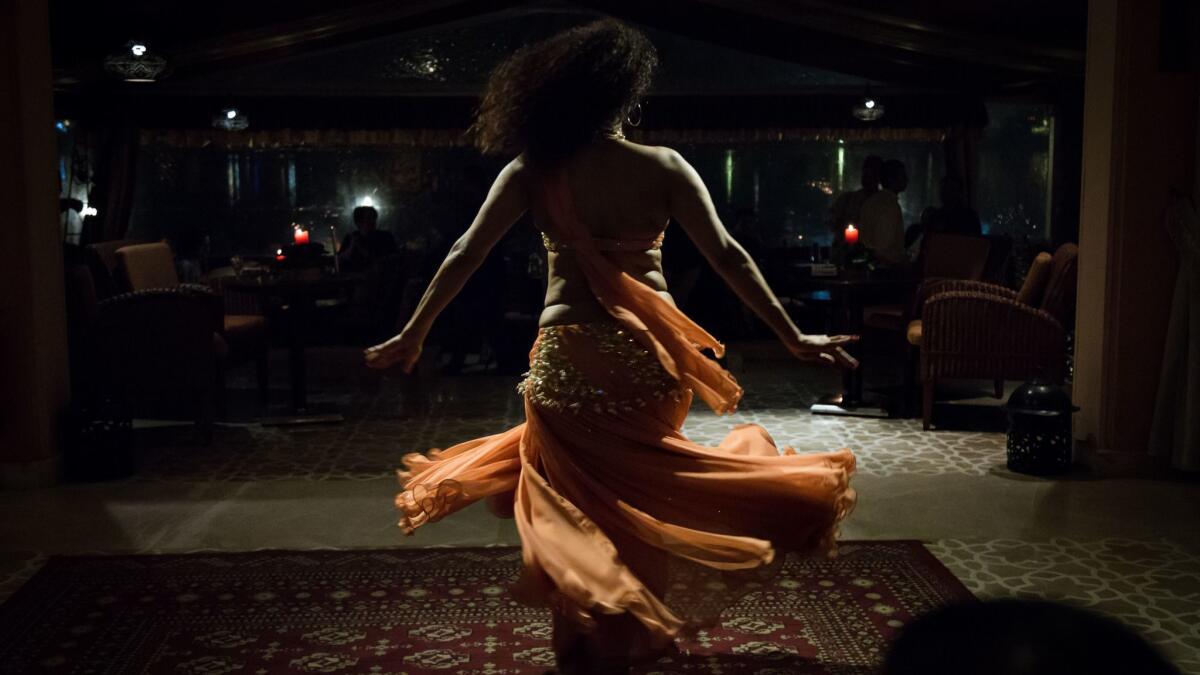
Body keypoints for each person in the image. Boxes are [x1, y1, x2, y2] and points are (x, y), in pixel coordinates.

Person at [365, 20, 857, 674]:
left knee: (574, 503)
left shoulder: (532, 171)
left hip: (569, 361)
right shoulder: (662, 168)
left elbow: (466, 253)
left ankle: (589, 638)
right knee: (639, 496)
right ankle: (637, 632)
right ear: (626, 96)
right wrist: (793, 335)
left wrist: (413, 333)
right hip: (649, 360)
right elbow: (730, 257)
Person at [858, 159, 909, 265]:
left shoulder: (873, 201)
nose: (907, 179)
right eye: (903, 175)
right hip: (884, 270)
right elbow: (883, 248)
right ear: (891, 179)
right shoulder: (888, 205)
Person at [827, 155, 883, 239]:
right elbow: (830, 220)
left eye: (872, 173)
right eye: (865, 172)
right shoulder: (846, 200)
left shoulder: (884, 203)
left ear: (879, 177)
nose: (867, 176)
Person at [918, 175, 982, 239]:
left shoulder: (970, 217)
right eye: (942, 188)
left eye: (951, 189)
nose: (944, 192)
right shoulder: (935, 216)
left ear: (959, 193)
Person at [338, 205, 397, 273]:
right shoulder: (350, 238)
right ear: (358, 222)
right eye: (368, 219)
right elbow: (340, 260)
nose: (372, 222)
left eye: (374, 218)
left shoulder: (385, 237)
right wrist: (352, 246)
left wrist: (361, 247)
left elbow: (390, 260)